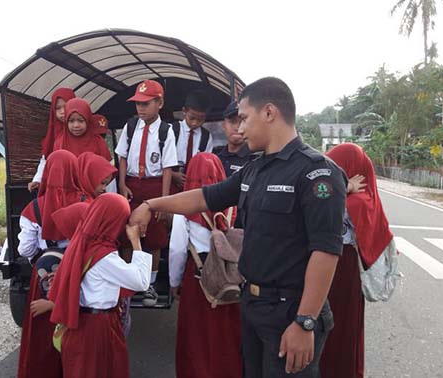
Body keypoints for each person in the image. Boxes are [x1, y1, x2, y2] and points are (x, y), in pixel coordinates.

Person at [130, 77, 347, 377]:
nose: (239, 128)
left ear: (269, 113)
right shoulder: (255, 170)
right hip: (253, 305)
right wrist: (151, 205)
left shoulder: (317, 173)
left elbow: (325, 252)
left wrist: (305, 321)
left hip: (291, 312)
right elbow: (205, 196)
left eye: (244, 118)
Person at [49, 193, 151, 378]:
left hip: (83, 324)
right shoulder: (103, 256)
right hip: (97, 328)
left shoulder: (84, 243)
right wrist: (136, 241)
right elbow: (141, 281)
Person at [319, 143, 393, 378]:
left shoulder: (357, 199)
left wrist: (344, 189)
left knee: (338, 326)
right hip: (336, 264)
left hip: (342, 266)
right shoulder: (348, 191)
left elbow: (322, 211)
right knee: (332, 324)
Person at [168, 153, 242, 378]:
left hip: (198, 275)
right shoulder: (232, 206)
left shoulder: (185, 210)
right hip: (228, 274)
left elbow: (177, 250)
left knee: (196, 335)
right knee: (226, 334)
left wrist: (174, 282)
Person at [115, 79, 178, 306]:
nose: (140, 108)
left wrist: (162, 202)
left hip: (154, 186)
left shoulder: (166, 131)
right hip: (132, 184)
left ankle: (148, 284)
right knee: (125, 233)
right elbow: (122, 157)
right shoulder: (130, 127)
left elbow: (167, 168)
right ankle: (125, 281)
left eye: (146, 103)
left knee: (154, 236)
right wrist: (122, 185)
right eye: (137, 104)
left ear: (159, 103)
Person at [16, 201, 90, 378]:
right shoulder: (87, 202)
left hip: (45, 271)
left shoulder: (34, 207)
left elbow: (25, 249)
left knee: (43, 334)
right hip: (78, 268)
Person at [29, 88, 76, 191]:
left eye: (66, 106)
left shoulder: (81, 131)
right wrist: (37, 179)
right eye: (58, 108)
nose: (62, 111)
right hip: (59, 185)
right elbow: (46, 159)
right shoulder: (53, 135)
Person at [170, 90, 214, 191]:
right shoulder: (171, 130)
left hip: (194, 185)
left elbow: (206, 165)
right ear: (184, 111)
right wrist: (173, 175)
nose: (195, 123)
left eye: (200, 120)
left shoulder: (206, 137)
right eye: (192, 118)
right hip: (170, 182)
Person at [214, 100, 259, 178]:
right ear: (224, 125)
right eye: (232, 121)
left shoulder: (256, 159)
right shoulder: (214, 155)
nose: (237, 127)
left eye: (242, 121)